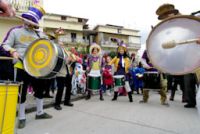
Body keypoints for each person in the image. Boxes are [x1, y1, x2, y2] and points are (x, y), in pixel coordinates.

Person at [2, 5, 52, 129]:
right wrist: (12, 51)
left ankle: (39, 112)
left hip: (36, 67)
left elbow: (47, 47)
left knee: (40, 89)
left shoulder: (39, 35)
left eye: (32, 20)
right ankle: (22, 117)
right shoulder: (15, 31)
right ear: (24, 18)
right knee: (22, 92)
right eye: (28, 18)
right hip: (20, 65)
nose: (29, 22)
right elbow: (4, 45)